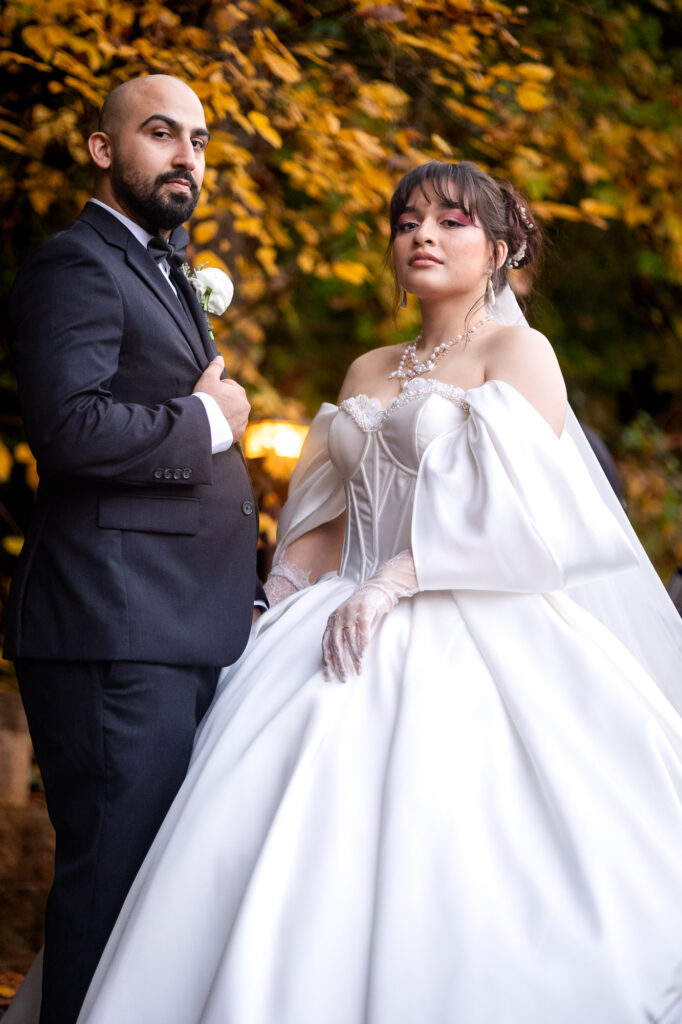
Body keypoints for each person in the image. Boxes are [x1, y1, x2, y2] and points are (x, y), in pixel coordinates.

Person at [10, 160, 682, 1024]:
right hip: (336, 620)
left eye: (451, 222)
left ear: (500, 248)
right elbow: (325, 519)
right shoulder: (368, 369)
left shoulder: (521, 353)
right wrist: (283, 593)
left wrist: (395, 583)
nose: (423, 236)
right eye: (408, 222)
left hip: (472, 624)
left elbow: (526, 516)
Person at [5, 74, 263, 1024]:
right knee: (110, 893)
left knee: (148, 892)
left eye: (199, 139)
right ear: (103, 148)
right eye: (162, 133)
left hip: (174, 622)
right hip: (113, 629)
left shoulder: (159, 267)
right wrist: (204, 421)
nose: (186, 155)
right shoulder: (76, 265)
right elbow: (69, 429)